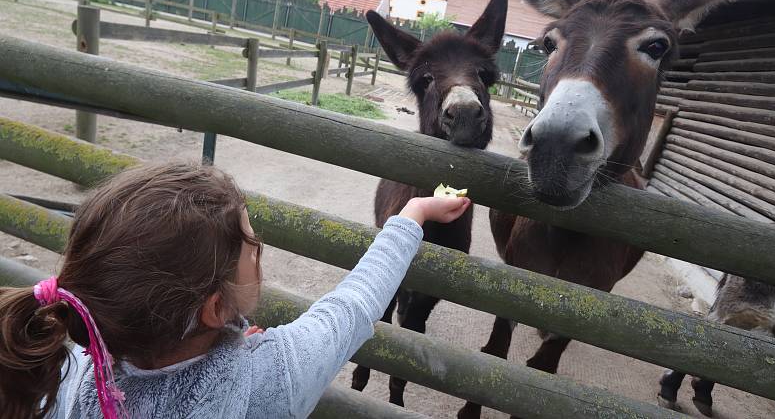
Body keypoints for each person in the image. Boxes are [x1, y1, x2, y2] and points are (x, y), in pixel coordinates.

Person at [0, 162, 470, 419]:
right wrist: (412, 216)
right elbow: (353, 306)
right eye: (251, 243)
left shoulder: (74, 372)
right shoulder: (272, 376)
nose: (259, 244)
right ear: (215, 307)